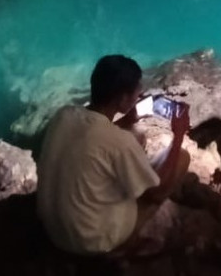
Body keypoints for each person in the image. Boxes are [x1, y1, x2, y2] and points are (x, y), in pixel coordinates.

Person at [37, 55, 192, 255]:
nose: (140, 93)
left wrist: (129, 119)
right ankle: (123, 247)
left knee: (135, 136)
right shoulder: (119, 142)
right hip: (88, 240)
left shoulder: (64, 114)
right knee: (180, 158)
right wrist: (178, 134)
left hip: (53, 230)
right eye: (137, 90)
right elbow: (156, 190)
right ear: (122, 99)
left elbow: (94, 137)